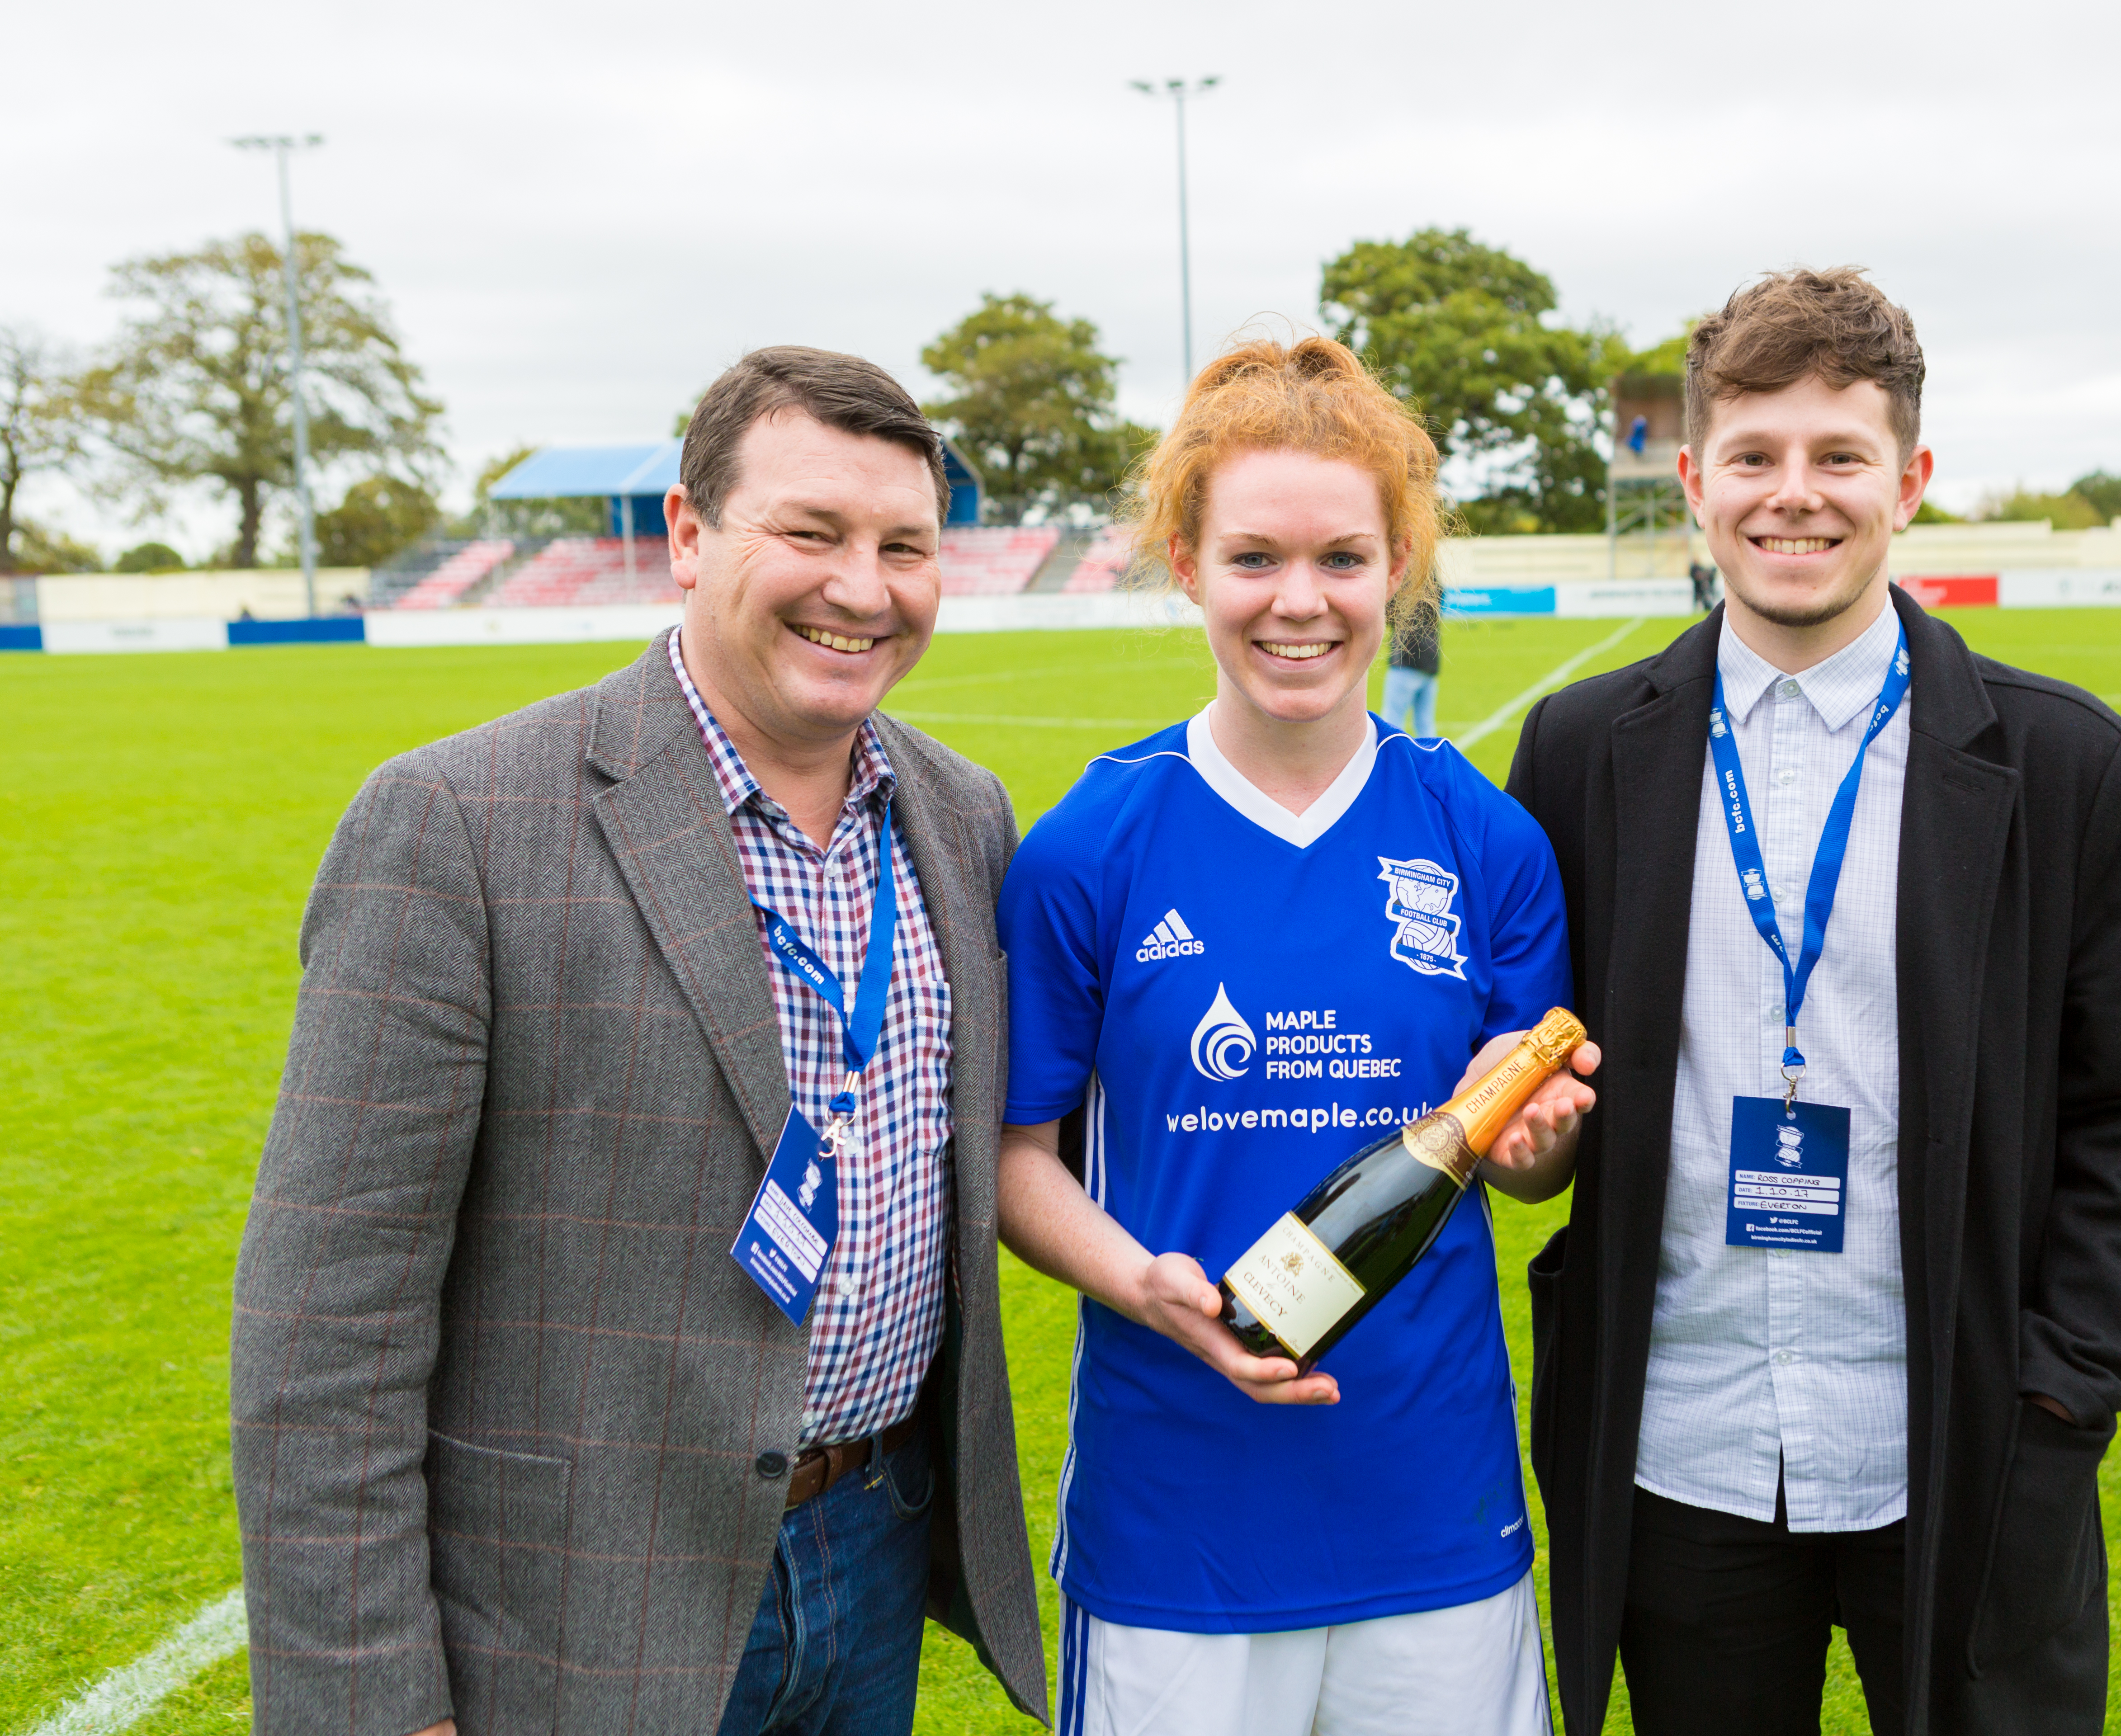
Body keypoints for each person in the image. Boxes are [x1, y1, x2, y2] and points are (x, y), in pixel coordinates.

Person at [231, 347, 1047, 1736]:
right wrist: (372, 1703)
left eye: (906, 544)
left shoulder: (965, 818)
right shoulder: (457, 824)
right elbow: (325, 1330)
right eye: (809, 530)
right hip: (581, 1597)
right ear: (686, 535)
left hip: (874, 1538)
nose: (864, 586)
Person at [1503, 269, 2121, 1735]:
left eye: (1841, 457)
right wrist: (1536, 1140)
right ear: (1697, 480)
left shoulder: (2067, 764)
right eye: (1755, 458)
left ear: (1913, 481)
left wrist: (2062, 1394)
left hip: (1961, 1452)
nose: (1795, 498)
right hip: (1679, 1450)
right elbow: (1551, 1073)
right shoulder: (1582, 752)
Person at [992, 335, 1598, 1736]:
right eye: (1255, 558)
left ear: (1399, 565)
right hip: (1175, 1521)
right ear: (1187, 559)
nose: (1299, 602)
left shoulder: (1485, 836)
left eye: (1342, 558)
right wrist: (1143, 1282)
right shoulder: (1094, 841)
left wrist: (1542, 1147)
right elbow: (1022, 1159)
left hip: (1431, 1509)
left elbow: (1517, 1168)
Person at [1381, 594, 1443, 738]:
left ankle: (1392, 761)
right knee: (1425, 724)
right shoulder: (1433, 578)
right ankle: (1432, 761)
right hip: (1430, 659)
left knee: (1392, 722)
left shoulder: (1405, 580)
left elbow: (1389, 614)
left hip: (1407, 659)